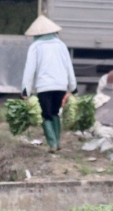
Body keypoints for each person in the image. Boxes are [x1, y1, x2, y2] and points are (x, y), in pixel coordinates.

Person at [21, 15, 77, 153]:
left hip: (44, 86)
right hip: (60, 85)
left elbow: (29, 69)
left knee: (46, 114)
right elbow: (69, 66)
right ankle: (57, 143)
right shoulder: (61, 45)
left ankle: (52, 144)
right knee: (55, 113)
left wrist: (25, 90)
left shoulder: (35, 46)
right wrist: (73, 86)